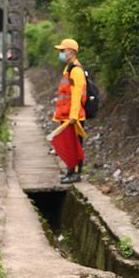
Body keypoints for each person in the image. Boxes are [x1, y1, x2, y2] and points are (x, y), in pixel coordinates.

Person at [53, 37, 86, 183]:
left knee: (74, 146)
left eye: (62, 50)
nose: (60, 53)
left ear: (71, 52)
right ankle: (70, 172)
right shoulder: (69, 68)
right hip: (65, 115)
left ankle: (75, 174)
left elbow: (77, 95)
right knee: (68, 146)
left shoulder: (76, 71)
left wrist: (73, 117)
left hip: (73, 117)